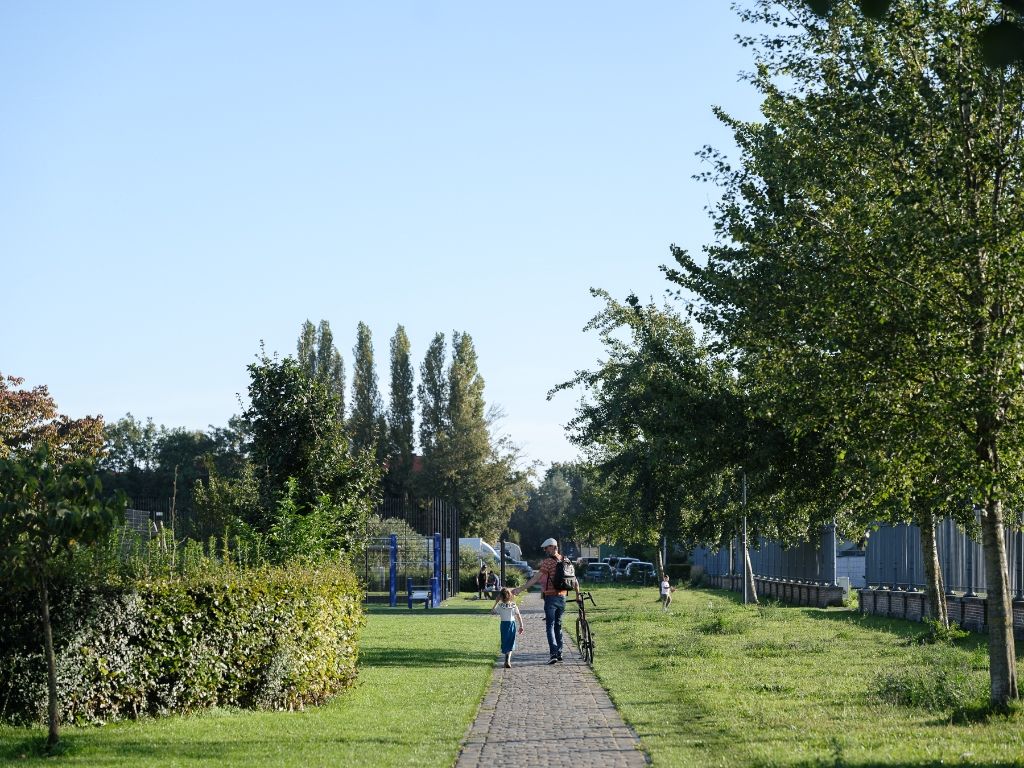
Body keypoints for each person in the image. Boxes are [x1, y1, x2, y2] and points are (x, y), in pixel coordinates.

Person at [513, 537, 578, 664]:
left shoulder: (548, 562)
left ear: (553, 547)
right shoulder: (567, 560)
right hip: (563, 597)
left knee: (550, 625)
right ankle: (559, 653)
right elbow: (574, 579)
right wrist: (577, 594)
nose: (545, 550)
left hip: (551, 597)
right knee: (558, 625)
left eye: (547, 547)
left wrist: (521, 589)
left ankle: (553, 653)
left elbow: (536, 578)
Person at [490, 587, 524, 668]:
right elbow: (518, 615)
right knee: (511, 641)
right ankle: (507, 659)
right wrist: (521, 625)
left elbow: (492, 612)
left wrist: (495, 602)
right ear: (510, 596)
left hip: (504, 625)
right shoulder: (513, 605)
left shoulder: (500, 606)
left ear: (501, 597)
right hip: (512, 625)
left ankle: (506, 659)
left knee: (505, 641)